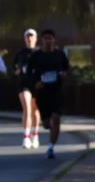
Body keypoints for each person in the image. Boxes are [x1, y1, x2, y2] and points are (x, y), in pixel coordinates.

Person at [27, 29, 70, 159]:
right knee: (46, 124)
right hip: (42, 92)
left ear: (54, 40)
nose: (48, 41)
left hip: (57, 91)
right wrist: (35, 83)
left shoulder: (59, 54)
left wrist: (64, 74)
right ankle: (49, 129)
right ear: (42, 40)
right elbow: (28, 72)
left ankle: (51, 147)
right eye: (46, 38)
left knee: (56, 119)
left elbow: (67, 67)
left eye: (50, 38)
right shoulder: (36, 55)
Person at [13, 28, 41, 149]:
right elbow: (14, 68)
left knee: (35, 111)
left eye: (32, 36)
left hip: (37, 85)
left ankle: (35, 136)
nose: (29, 38)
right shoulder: (20, 53)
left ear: (36, 38)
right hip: (24, 84)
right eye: (27, 36)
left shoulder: (40, 52)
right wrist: (17, 70)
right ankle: (26, 137)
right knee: (27, 108)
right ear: (25, 39)